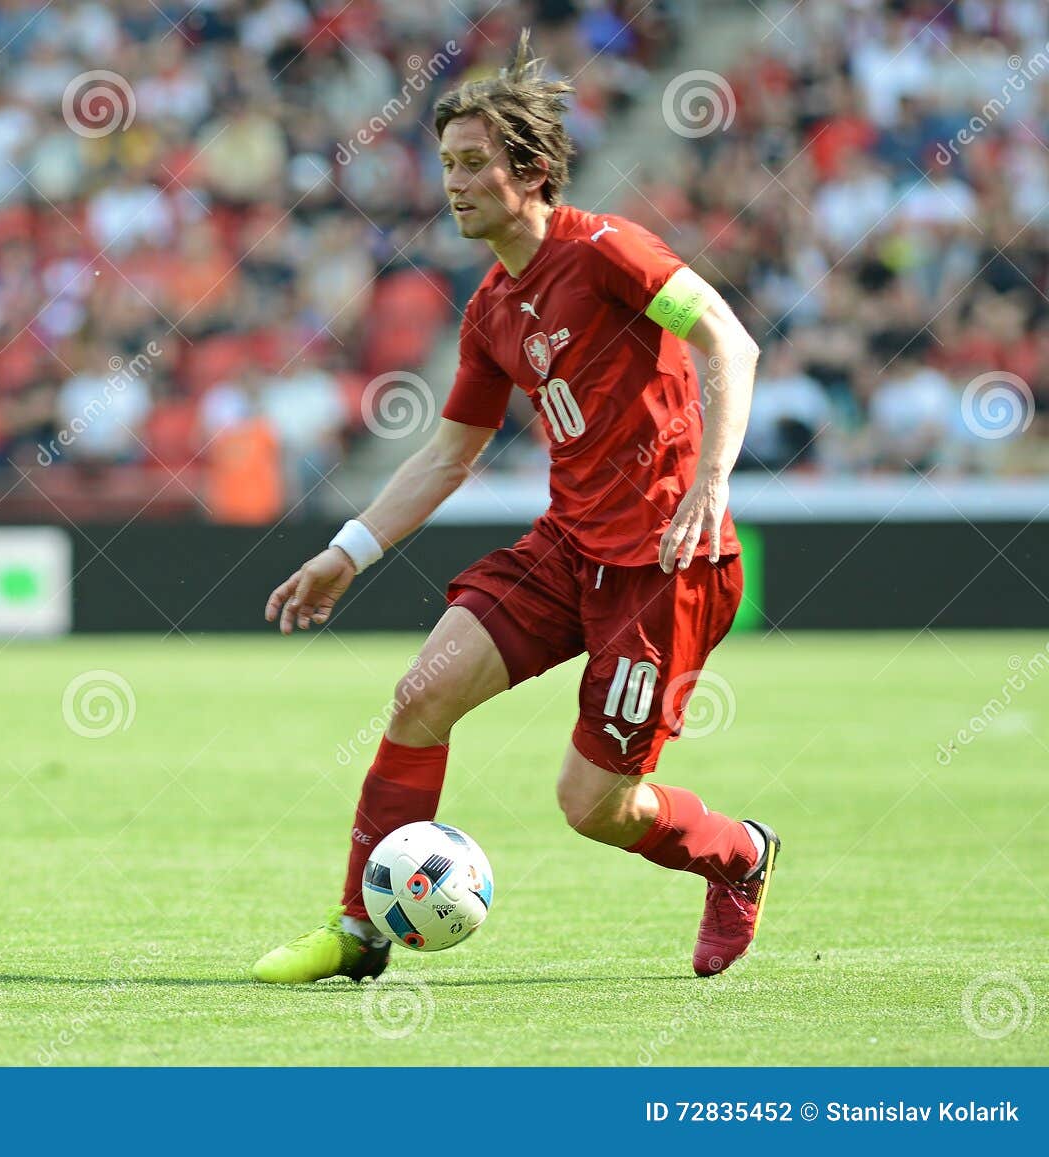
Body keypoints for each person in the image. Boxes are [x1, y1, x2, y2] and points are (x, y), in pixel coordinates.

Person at [253, 37, 779, 984]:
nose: (453, 183)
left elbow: (727, 342)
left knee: (595, 807)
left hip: (666, 563)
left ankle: (737, 854)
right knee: (420, 698)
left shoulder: (607, 251)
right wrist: (350, 550)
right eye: (446, 165)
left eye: (472, 164)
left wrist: (712, 477)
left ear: (530, 170)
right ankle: (358, 932)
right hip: (568, 547)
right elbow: (450, 452)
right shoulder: (493, 307)